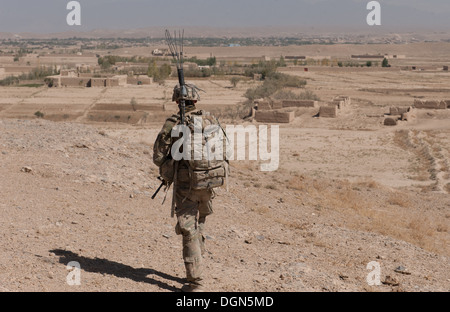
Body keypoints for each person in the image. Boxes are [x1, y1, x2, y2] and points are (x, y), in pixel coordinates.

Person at [153, 84, 225, 292]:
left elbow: (158, 156)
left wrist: (171, 161)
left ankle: (196, 283)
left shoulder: (174, 123)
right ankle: (198, 268)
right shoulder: (211, 119)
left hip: (187, 184)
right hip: (209, 181)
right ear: (196, 100)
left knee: (188, 229)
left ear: (176, 100)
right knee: (199, 223)